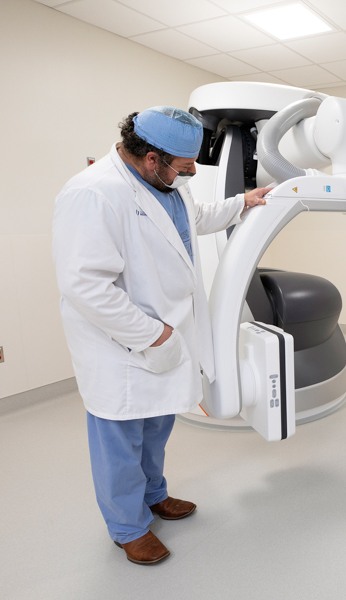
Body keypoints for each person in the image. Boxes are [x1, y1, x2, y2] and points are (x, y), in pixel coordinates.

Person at [52, 107, 269, 565]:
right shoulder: (94, 193)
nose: (188, 177)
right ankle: (127, 527)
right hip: (124, 346)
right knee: (120, 440)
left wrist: (244, 202)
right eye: (184, 168)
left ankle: (154, 495)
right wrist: (153, 335)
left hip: (166, 342)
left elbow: (194, 219)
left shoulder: (166, 185)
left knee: (157, 428)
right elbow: (85, 285)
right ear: (152, 158)